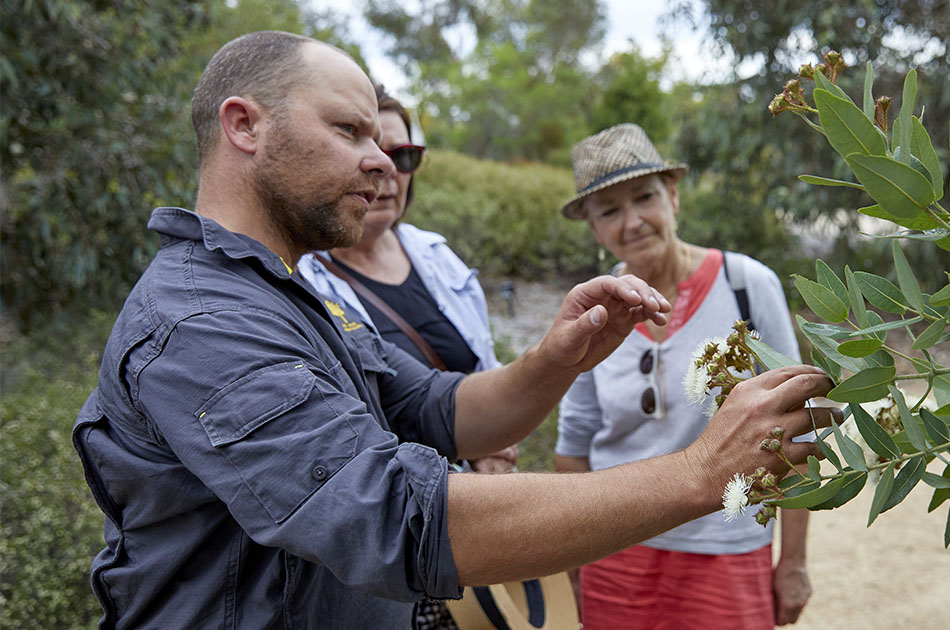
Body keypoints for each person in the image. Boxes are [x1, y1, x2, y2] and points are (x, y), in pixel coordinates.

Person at [72, 31, 839, 630]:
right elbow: (396, 518)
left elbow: (441, 411)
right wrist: (700, 472)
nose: (383, 164)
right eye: (350, 130)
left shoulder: (290, 295)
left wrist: (553, 359)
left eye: (384, 141)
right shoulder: (203, 324)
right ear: (245, 125)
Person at [555, 123, 813, 630]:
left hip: (726, 548)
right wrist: (573, 566)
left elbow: (796, 426)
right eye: (609, 210)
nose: (631, 221)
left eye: (644, 197)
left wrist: (795, 562)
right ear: (593, 226)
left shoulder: (746, 286)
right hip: (613, 551)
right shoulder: (592, 311)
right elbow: (574, 444)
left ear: (672, 197)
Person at [296, 85, 512, 630]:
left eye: (405, 156)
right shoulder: (300, 280)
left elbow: (479, 373)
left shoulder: (438, 257)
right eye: (372, 150)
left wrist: (495, 445)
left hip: (478, 517)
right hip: (391, 538)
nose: (387, 169)